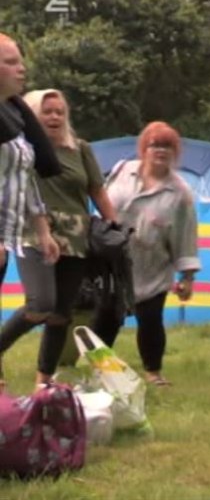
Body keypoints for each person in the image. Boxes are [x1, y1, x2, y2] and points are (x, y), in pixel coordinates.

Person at [0, 89, 117, 388]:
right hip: (34, 232)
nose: (54, 117)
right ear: (31, 116)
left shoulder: (80, 149)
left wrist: (115, 225)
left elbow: (97, 190)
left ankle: (44, 382)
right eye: (46, 111)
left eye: (59, 111)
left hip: (76, 237)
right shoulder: (21, 149)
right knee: (40, 303)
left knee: (60, 314)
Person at [91, 121, 200, 387]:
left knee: (150, 320)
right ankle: (97, 371)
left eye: (167, 146)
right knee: (106, 318)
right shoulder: (122, 170)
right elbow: (101, 201)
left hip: (153, 267)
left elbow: (186, 236)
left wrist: (187, 277)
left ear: (175, 152)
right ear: (144, 148)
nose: (160, 151)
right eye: (155, 145)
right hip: (113, 263)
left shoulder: (180, 193)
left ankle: (153, 372)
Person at [0, 34, 61, 392]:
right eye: (10, 62)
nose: (21, 68)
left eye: (20, 60)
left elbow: (25, 179)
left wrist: (42, 230)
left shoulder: (15, 119)